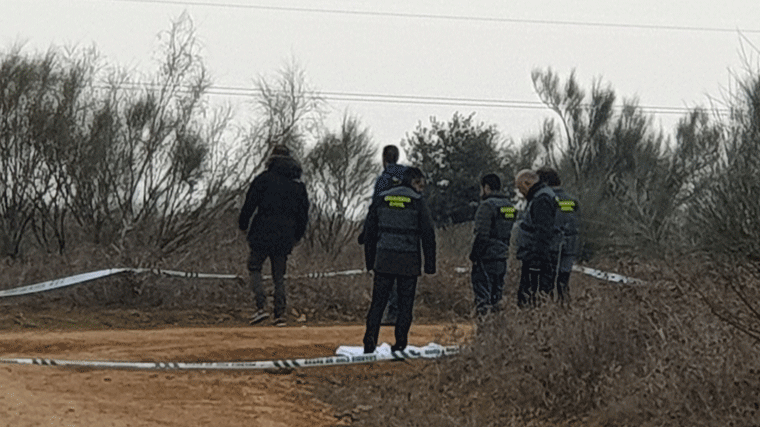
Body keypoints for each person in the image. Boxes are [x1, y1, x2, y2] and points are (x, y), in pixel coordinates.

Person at [362, 167, 436, 353]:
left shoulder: (382, 198)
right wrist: (429, 265)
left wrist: (370, 262)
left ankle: (369, 343)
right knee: (405, 305)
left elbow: (369, 233)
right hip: (408, 261)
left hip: (384, 259)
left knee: (377, 303)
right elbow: (428, 234)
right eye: (420, 184)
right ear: (412, 182)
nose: (422, 189)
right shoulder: (418, 202)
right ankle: (400, 344)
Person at [239, 144, 310, 326]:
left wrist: (243, 224)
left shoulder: (263, 179)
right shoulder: (298, 186)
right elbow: (303, 216)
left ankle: (261, 307)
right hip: (286, 236)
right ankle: (280, 315)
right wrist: (297, 237)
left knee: (254, 266)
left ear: (271, 159)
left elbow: (249, 205)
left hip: (262, 232)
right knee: (279, 275)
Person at [359, 145, 407, 325]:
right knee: (403, 276)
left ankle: (390, 312)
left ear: (384, 159)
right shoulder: (409, 180)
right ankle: (401, 311)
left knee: (386, 275)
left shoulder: (383, 180)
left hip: (385, 235)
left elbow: (375, 209)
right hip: (407, 237)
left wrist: (366, 233)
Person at [469, 173, 516, 316]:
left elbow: (482, 234)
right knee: (497, 297)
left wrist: (474, 256)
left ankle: (484, 331)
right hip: (502, 256)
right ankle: (496, 332)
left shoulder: (487, 206)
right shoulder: (509, 207)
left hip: (486, 257)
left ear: (486, 188)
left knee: (483, 297)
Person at [514, 169, 561, 308]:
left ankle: (533, 326)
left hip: (538, 260)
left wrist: (537, 261)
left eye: (519, 187)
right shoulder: (540, 196)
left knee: (531, 300)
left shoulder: (542, 199)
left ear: (527, 183)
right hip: (536, 257)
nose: (520, 192)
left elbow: (543, 232)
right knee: (532, 299)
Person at [537, 167, 579, 304]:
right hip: (570, 245)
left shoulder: (545, 199)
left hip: (551, 246)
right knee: (563, 281)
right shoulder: (572, 201)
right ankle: (564, 309)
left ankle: (546, 313)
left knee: (546, 282)